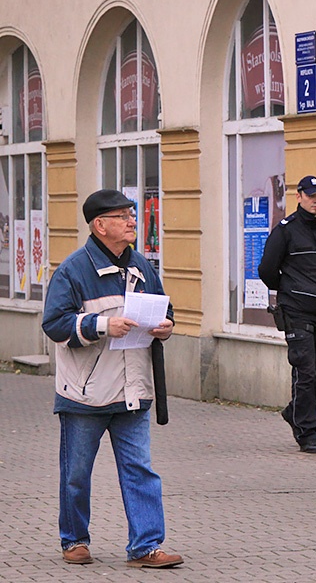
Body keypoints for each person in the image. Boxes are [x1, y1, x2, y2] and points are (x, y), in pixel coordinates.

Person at [41, 189, 182, 568]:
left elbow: (165, 307)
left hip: (133, 391)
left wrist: (166, 326)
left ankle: (146, 547)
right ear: (100, 225)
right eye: (123, 216)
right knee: (76, 474)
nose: (132, 221)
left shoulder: (142, 266)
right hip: (85, 394)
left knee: (141, 471)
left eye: (132, 215)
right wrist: (103, 325)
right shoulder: (72, 270)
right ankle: (74, 541)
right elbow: (54, 324)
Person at [258, 175, 316, 454]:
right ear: (299, 197)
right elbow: (267, 270)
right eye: (311, 195)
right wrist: (290, 290)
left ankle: (295, 410)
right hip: (297, 310)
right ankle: (307, 432)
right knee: (305, 372)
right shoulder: (286, 231)